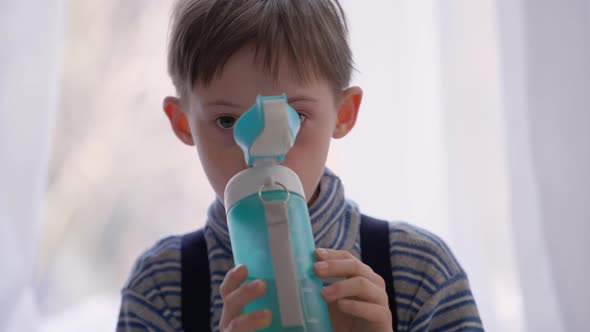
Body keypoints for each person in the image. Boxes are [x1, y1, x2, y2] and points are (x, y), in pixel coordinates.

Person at [117, 0, 483, 331]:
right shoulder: (162, 287)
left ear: (343, 113)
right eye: (228, 122)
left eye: (293, 116)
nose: (262, 153)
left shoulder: (419, 274)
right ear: (183, 123)